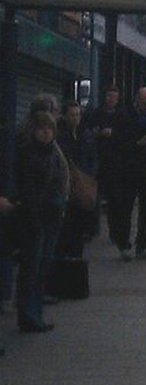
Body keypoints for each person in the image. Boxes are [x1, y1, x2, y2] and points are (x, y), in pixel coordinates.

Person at [14, 111, 69, 332]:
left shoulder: (55, 153)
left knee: (43, 265)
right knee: (32, 267)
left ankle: (35, 313)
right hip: (34, 217)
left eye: (49, 129)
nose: (46, 133)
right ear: (34, 131)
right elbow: (26, 189)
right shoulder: (28, 155)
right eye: (41, 129)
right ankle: (27, 315)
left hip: (53, 214)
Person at [109, 87, 146, 261]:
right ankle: (123, 244)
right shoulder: (124, 116)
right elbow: (117, 143)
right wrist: (137, 144)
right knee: (125, 208)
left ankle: (142, 245)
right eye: (145, 103)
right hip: (128, 170)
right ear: (137, 100)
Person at [56, 101, 98, 260]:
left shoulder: (85, 135)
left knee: (79, 228)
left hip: (83, 186)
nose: (75, 118)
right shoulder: (60, 136)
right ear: (65, 116)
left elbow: (93, 156)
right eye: (72, 115)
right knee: (67, 228)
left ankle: (75, 258)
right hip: (67, 186)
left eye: (78, 115)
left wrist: (90, 174)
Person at [85, 85, 123, 239]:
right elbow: (88, 132)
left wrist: (114, 133)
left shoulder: (120, 116)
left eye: (113, 97)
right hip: (98, 158)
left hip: (113, 161)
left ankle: (114, 231)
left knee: (114, 198)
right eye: (108, 96)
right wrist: (98, 133)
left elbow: (124, 134)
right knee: (95, 195)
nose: (110, 99)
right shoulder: (96, 114)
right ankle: (93, 229)